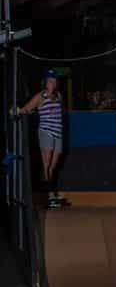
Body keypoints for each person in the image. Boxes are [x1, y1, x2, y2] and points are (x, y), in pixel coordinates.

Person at [18, 69, 64, 205]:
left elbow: (60, 114)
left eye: (54, 80)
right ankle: (50, 195)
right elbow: (26, 108)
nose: (52, 82)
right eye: (50, 80)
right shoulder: (40, 96)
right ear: (45, 82)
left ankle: (46, 192)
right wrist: (18, 110)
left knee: (52, 166)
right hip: (45, 132)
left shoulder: (59, 96)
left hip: (58, 133)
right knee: (46, 163)